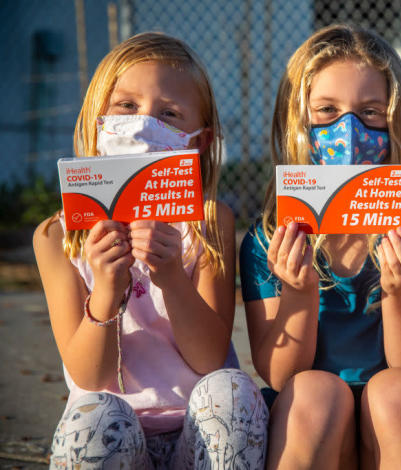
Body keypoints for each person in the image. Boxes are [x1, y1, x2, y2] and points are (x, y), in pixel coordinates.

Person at [34, 32, 268, 469]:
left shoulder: (209, 222)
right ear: (96, 120)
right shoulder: (57, 236)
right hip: (115, 436)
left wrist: (171, 276)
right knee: (92, 415)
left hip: (198, 436)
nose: (144, 123)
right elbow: (88, 376)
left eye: (169, 114)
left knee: (233, 391)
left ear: (199, 141)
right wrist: (106, 287)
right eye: (127, 106)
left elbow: (208, 358)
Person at [239, 24, 401, 470]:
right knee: (316, 393)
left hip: (393, 421)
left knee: (400, 392)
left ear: (396, 123)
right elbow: (279, 374)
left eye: (371, 113)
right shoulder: (267, 239)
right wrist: (298, 292)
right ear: (297, 122)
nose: (349, 130)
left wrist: (400, 290)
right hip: (312, 419)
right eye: (327, 111)